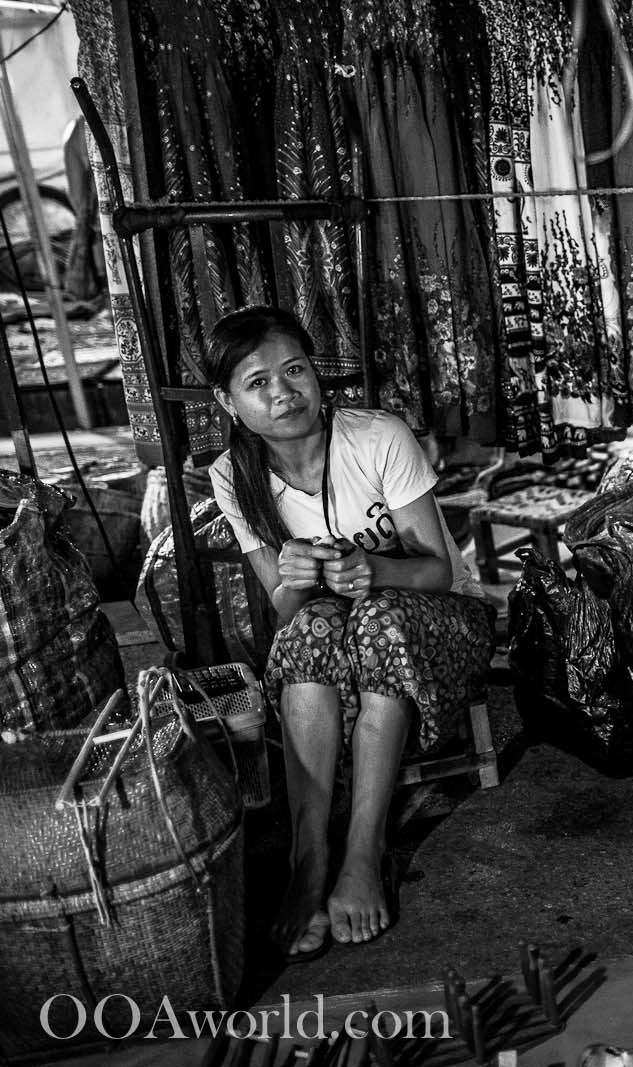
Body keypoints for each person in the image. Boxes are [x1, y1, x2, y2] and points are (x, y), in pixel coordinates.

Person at [206, 306, 494, 961]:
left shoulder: (375, 436)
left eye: (296, 370)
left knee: (378, 617)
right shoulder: (232, 476)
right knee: (308, 628)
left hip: (445, 622)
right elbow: (285, 608)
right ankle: (310, 862)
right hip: (338, 637)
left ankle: (366, 849)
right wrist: (296, 577)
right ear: (230, 401)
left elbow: (439, 571)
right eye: (258, 382)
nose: (283, 391)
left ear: (316, 373)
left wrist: (374, 568)